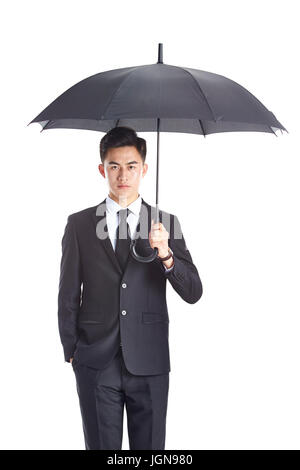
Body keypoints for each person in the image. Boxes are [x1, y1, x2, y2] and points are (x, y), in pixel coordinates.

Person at [57, 126, 203, 450]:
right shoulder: (79, 224)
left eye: (131, 166)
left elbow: (193, 291)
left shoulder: (166, 223)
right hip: (96, 362)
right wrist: (72, 351)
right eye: (114, 166)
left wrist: (166, 254)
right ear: (102, 169)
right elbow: (67, 294)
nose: (123, 175)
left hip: (149, 362)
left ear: (144, 169)